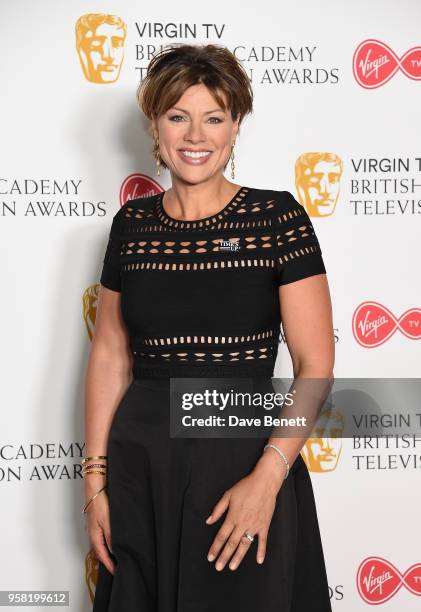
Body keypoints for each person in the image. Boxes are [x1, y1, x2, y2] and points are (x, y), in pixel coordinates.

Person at [84, 43, 335, 612]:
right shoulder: (132, 225)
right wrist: (95, 480)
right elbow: (109, 356)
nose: (195, 135)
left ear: (235, 125)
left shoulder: (277, 219)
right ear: (155, 123)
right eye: (178, 116)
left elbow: (315, 366)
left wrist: (267, 479)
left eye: (213, 117)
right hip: (142, 466)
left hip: (242, 463)